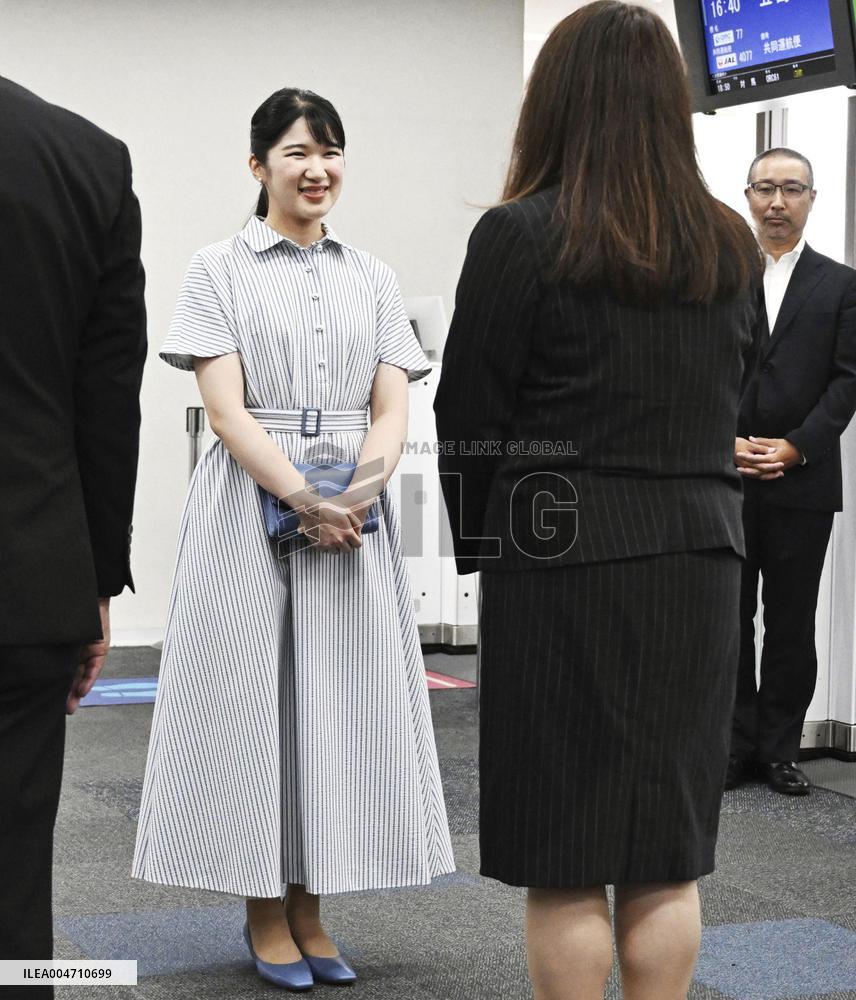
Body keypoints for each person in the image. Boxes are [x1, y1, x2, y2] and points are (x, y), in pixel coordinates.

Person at [433, 4, 763, 999]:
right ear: (672, 105)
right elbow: (733, 386)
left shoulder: (521, 234)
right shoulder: (728, 242)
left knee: (567, 856)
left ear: (553, 104)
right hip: (702, 559)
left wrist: (483, 548)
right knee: (667, 851)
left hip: (561, 561)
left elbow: (469, 413)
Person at [132, 87, 454, 990]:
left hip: (355, 511)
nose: (318, 170)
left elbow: (393, 406)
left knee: (335, 708)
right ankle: (263, 911)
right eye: (297, 154)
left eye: (332, 153)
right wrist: (302, 499)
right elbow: (227, 413)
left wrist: (353, 494)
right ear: (258, 166)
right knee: (251, 706)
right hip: (249, 508)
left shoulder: (375, 275)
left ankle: (314, 908)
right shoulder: (216, 269)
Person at [0, 77, 146, 996]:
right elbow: (105, 400)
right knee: (15, 862)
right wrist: (94, 578)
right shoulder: (85, 157)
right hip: (26, 565)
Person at [729, 148, 856, 795]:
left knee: (789, 620)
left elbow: (847, 381)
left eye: (791, 189)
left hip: (802, 480)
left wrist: (796, 446)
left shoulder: (841, 284)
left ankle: (781, 750)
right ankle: (734, 745)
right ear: (747, 196)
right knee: (727, 617)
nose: (777, 202)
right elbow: (698, 370)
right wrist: (725, 441)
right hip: (725, 476)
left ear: (812, 198)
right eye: (766, 189)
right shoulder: (717, 277)